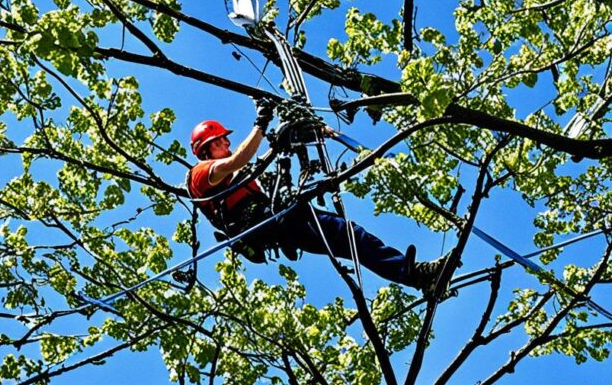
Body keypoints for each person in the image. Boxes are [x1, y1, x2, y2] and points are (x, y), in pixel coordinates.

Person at [186, 100, 453, 296]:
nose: (227, 144)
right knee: (341, 231)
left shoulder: (233, 178)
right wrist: (261, 123)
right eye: (220, 141)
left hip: (281, 225)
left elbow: (254, 162)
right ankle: (414, 274)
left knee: (350, 237)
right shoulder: (201, 175)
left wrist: (286, 138)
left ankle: (417, 276)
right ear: (206, 148)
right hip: (269, 224)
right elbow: (241, 158)